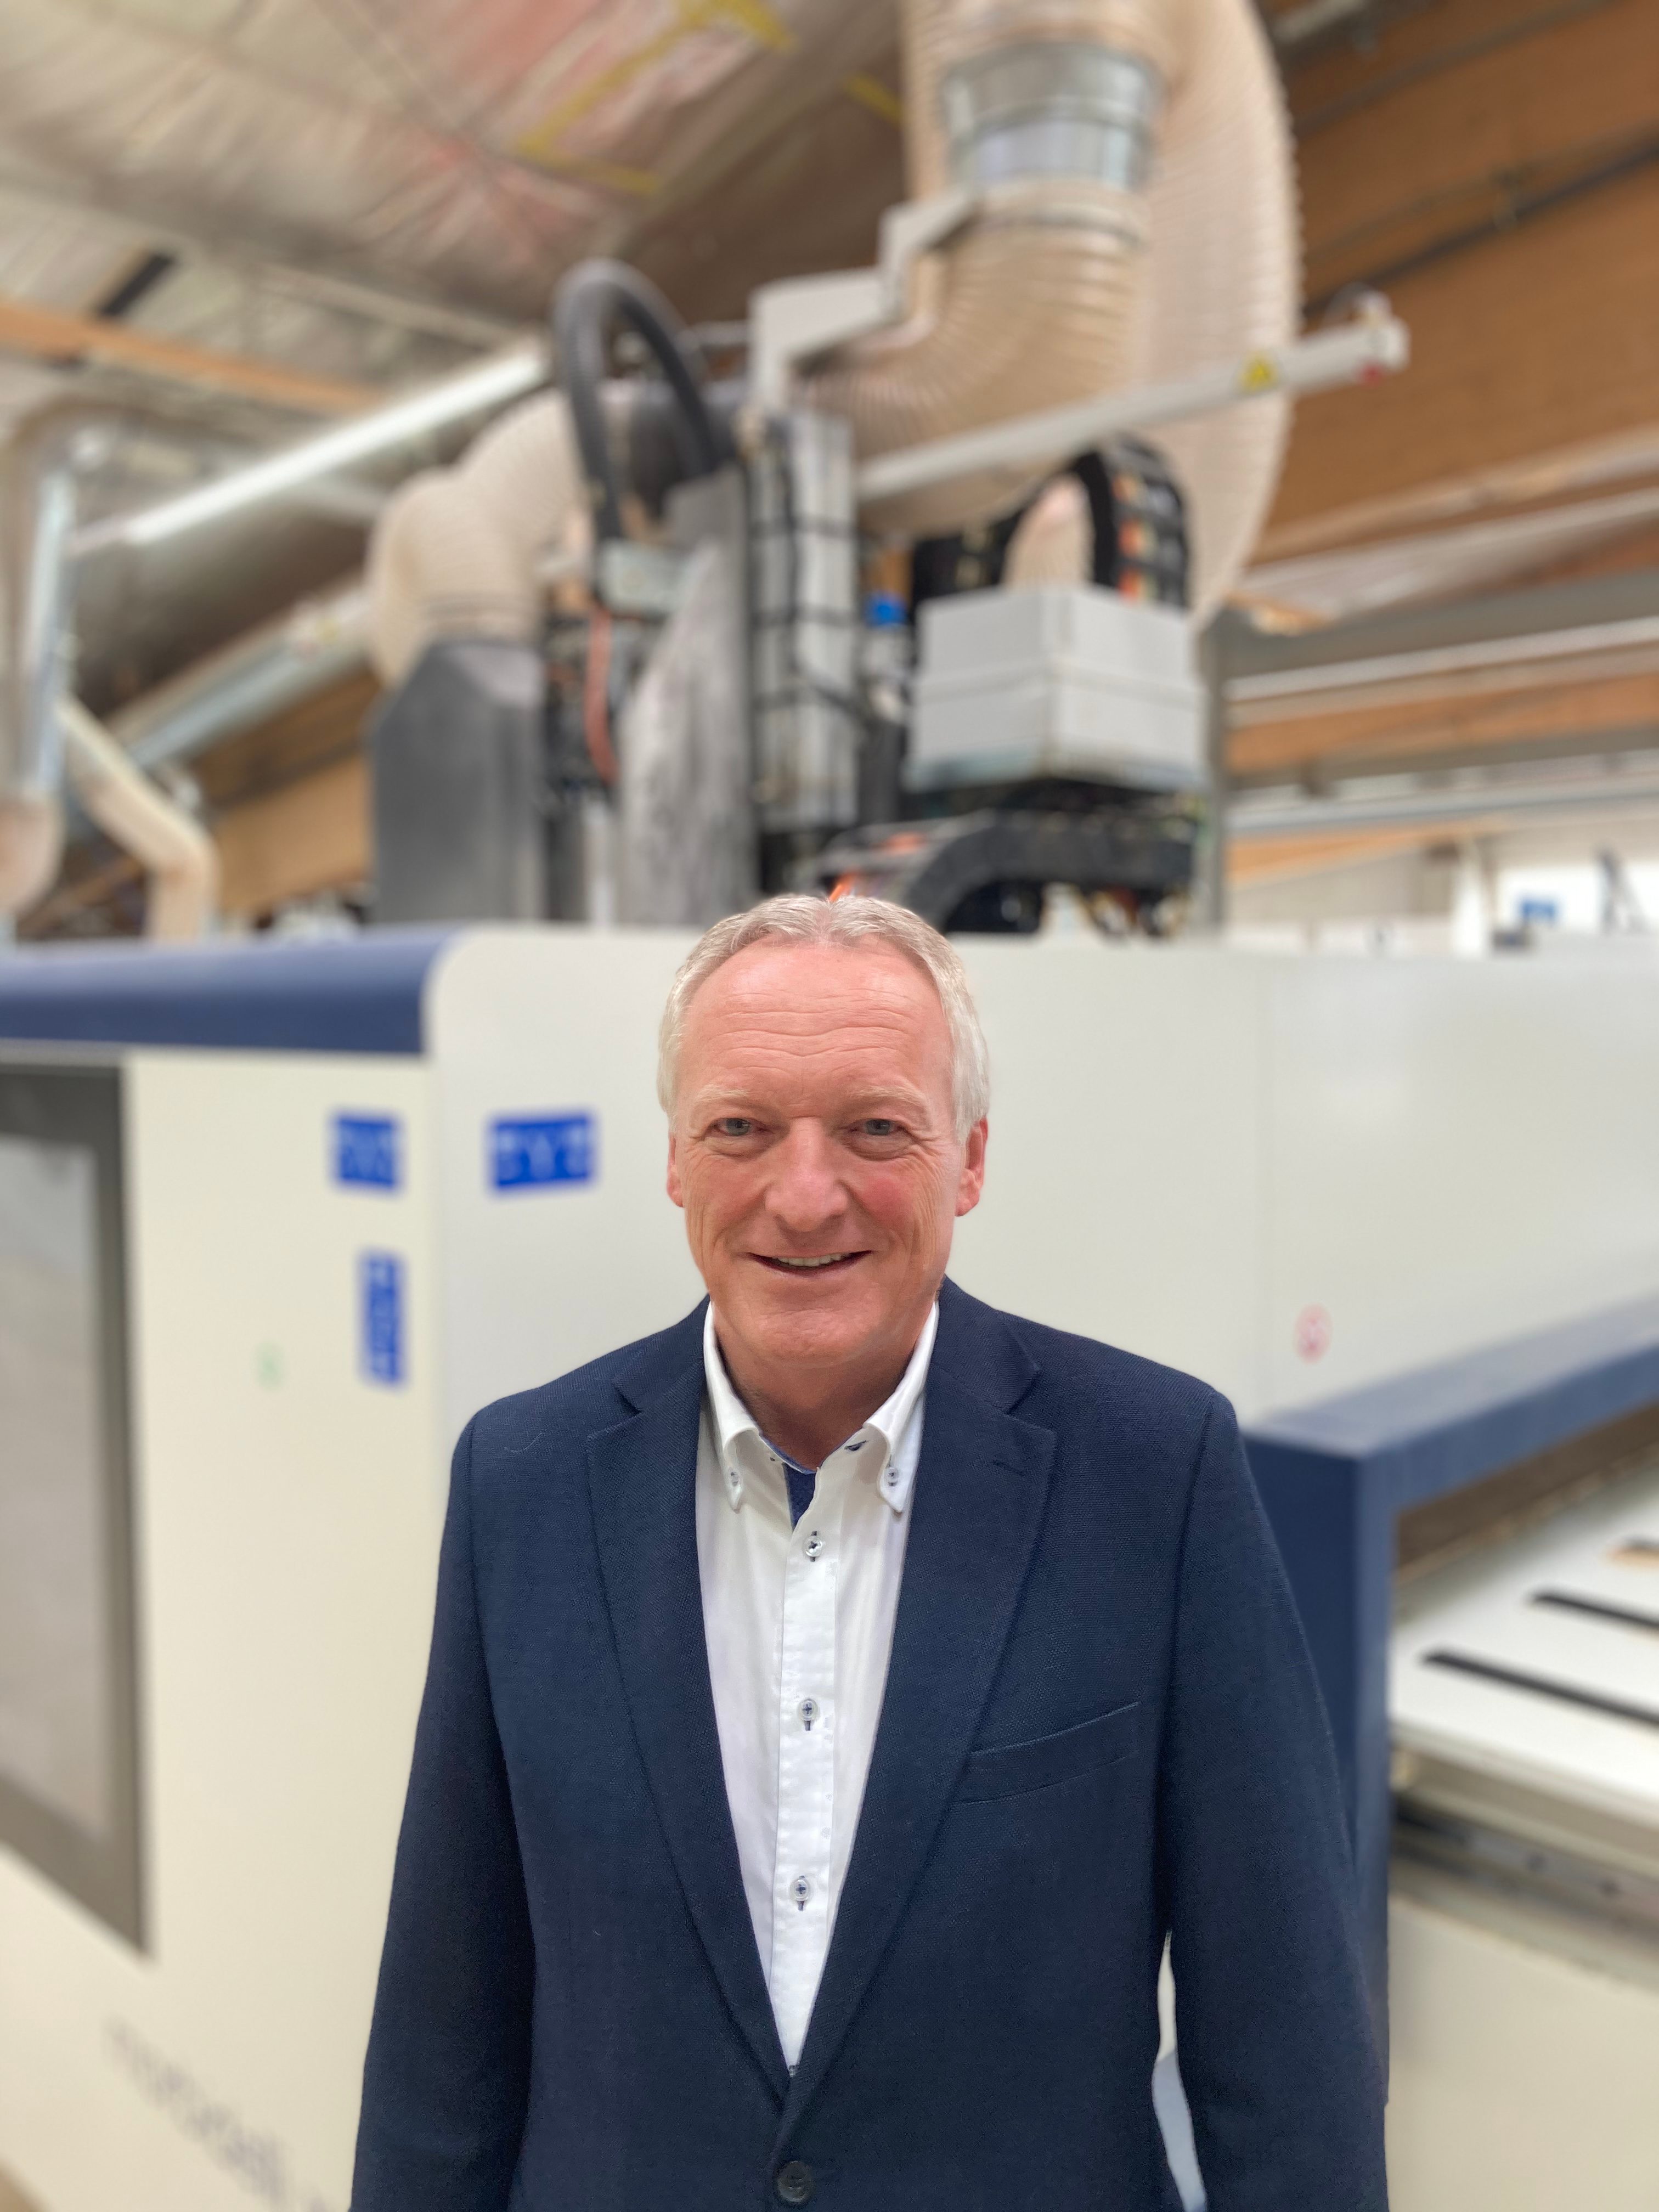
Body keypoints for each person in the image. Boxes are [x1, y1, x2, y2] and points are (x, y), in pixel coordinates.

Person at [351, 893, 1387, 2212]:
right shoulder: (524, 1482)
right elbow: (444, 2030)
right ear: (675, 1161)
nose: (803, 1195)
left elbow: (1286, 2040)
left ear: (970, 1161)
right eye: (740, 1128)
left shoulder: (1154, 1477)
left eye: (875, 1129)